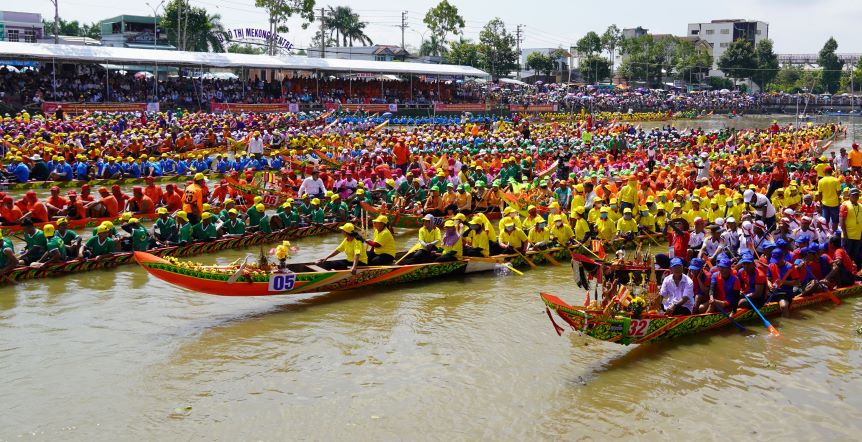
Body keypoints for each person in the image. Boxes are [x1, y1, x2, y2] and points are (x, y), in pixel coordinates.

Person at [839, 187, 862, 268]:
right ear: (849, 195)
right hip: (848, 236)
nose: (856, 196)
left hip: (858, 236)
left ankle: (852, 275)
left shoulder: (860, 206)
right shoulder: (845, 205)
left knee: (854, 257)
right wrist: (845, 234)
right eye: (854, 195)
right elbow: (841, 220)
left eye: (857, 195)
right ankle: (844, 276)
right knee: (846, 257)